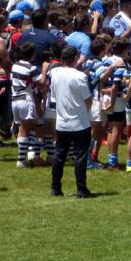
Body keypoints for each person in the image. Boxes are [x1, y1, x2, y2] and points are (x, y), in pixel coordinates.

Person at [48, 45, 93, 198]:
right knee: (80, 156)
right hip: (79, 122)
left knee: (59, 155)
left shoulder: (55, 74)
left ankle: (55, 187)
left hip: (62, 122)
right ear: (74, 58)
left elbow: (54, 97)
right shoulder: (79, 76)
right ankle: (81, 188)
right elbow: (88, 99)